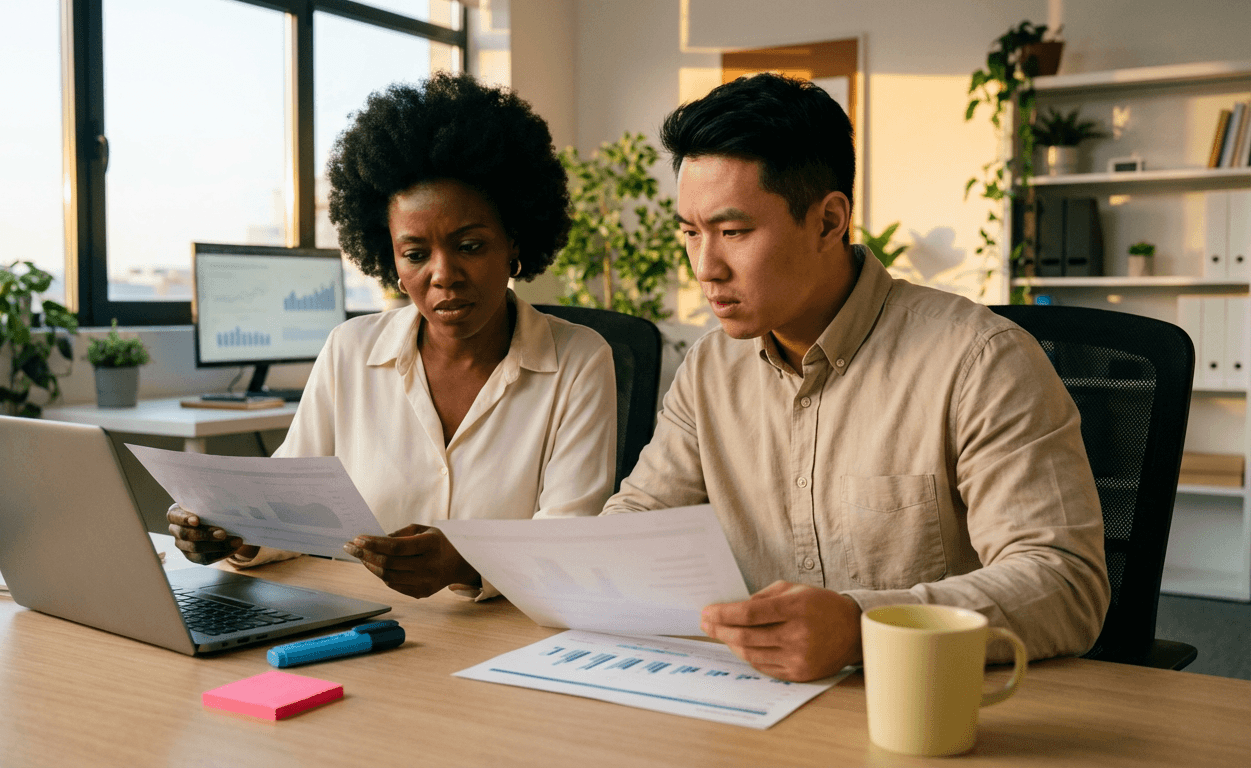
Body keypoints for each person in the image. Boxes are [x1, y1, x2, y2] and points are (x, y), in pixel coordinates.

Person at [602, 73, 1109, 682]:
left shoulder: (981, 362)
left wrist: (861, 628)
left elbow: (1064, 582)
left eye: (733, 232)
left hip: (928, 701)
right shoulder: (710, 369)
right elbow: (638, 523)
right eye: (690, 233)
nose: (705, 267)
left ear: (828, 221)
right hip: (751, 699)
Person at [169, 72, 617, 600]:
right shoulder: (349, 350)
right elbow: (287, 511)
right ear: (392, 261)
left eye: (470, 246)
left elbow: (570, 541)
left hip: (508, 635)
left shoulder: (580, 361)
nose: (443, 274)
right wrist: (231, 534)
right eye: (416, 254)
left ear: (513, 242)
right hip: (361, 624)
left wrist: (465, 562)